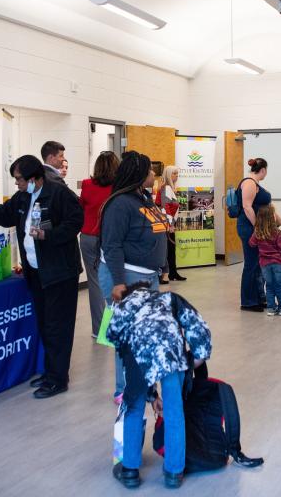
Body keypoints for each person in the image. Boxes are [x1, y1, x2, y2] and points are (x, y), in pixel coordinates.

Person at [0, 155, 83, 398]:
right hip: (36, 272)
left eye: (19, 179)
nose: (16, 183)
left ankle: (58, 379)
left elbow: (76, 222)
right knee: (45, 325)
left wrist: (50, 236)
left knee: (59, 327)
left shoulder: (58, 193)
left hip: (60, 273)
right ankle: (50, 372)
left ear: (34, 178)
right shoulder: (23, 198)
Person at [107, 282, 212, 489]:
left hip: (137, 356)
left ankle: (129, 470)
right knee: (174, 411)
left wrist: (150, 395)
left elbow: (115, 338)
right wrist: (198, 357)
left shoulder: (123, 306)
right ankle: (174, 472)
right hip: (171, 354)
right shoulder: (170, 298)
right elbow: (199, 327)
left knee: (133, 408)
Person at [98, 151, 168, 403]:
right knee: (128, 338)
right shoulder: (119, 204)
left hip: (147, 277)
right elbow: (112, 245)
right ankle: (124, 390)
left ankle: (142, 386)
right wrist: (118, 282)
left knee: (145, 336)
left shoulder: (143, 198)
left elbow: (157, 231)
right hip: (126, 278)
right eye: (149, 170)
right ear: (139, 174)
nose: (153, 174)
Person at [79, 151, 119, 338]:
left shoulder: (87, 185)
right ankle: (115, 328)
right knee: (114, 281)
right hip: (110, 239)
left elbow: (81, 208)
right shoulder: (119, 187)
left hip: (88, 237)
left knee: (94, 284)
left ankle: (99, 331)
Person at [236, 158, 273, 311]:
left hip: (254, 228)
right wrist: (257, 227)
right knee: (251, 265)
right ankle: (248, 301)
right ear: (263, 170)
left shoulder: (254, 183)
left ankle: (258, 298)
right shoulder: (250, 183)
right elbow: (247, 206)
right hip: (249, 227)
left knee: (257, 265)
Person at [249, 204, 281, 316]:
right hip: (278, 263)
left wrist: (255, 232)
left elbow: (251, 244)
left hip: (264, 264)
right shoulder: (277, 232)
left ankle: (271, 308)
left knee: (269, 286)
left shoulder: (258, 233)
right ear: (272, 218)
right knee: (279, 285)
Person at [159, 165, 186, 282]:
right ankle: (170, 273)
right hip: (167, 224)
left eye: (177, 173)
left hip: (169, 223)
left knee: (171, 249)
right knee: (169, 249)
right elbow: (166, 207)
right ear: (169, 175)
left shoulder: (169, 188)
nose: (176, 176)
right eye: (174, 174)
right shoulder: (166, 188)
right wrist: (170, 224)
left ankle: (173, 272)